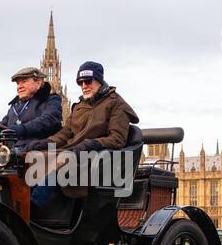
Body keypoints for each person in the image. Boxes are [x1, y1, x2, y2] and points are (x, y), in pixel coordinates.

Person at [20, 60, 138, 206]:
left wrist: (89, 144)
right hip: (73, 152)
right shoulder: (80, 106)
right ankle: (20, 204)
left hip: (96, 158)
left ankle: (33, 207)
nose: (84, 86)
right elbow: (65, 133)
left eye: (88, 81)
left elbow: (117, 139)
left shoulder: (116, 104)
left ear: (99, 81)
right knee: (29, 159)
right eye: (80, 82)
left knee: (62, 162)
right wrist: (44, 143)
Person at [0, 66, 62, 145]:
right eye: (18, 83)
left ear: (38, 83)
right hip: (13, 151)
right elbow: (1, 126)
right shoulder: (15, 106)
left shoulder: (51, 100)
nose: (19, 87)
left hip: (42, 149)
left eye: (24, 81)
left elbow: (49, 119)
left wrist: (23, 129)